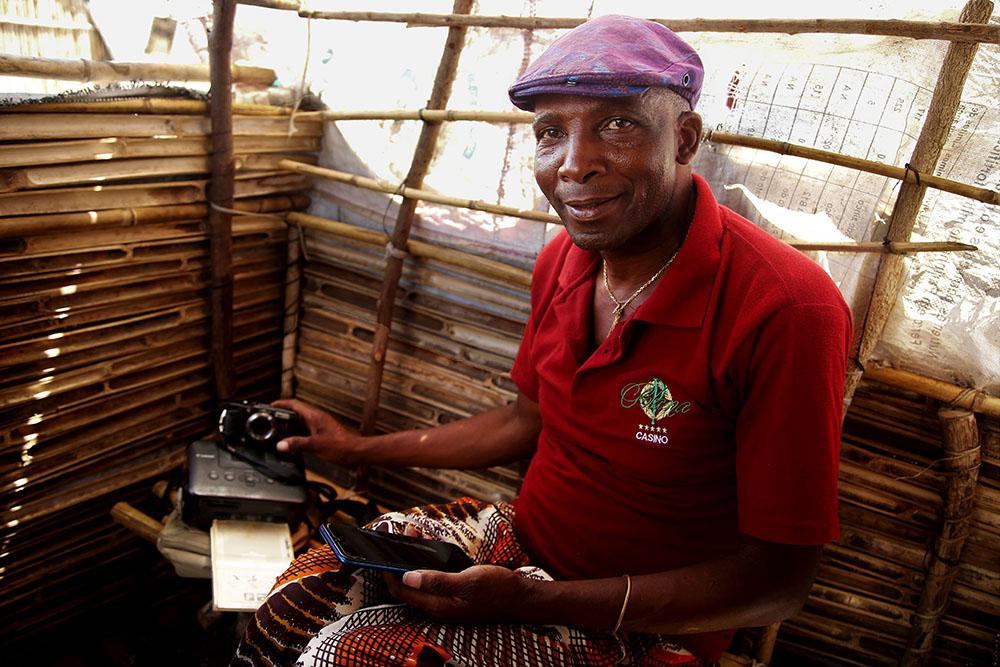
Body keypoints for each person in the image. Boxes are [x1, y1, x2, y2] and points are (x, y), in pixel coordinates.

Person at [232, 15, 851, 667]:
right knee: (293, 599)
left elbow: (778, 584)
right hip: (516, 543)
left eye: (617, 124)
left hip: (642, 622)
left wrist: (534, 602)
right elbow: (526, 418)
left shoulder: (786, 308)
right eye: (551, 133)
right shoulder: (563, 261)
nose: (575, 164)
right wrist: (352, 446)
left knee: (343, 657)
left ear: (685, 139)